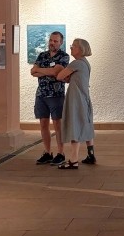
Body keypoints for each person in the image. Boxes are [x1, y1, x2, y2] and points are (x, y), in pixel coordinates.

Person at [55, 38, 96, 169]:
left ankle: (74, 159)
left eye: (74, 46)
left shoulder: (76, 63)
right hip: (83, 97)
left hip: (76, 99)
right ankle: (91, 154)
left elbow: (60, 76)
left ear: (81, 49)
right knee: (86, 124)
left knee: (75, 125)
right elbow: (70, 78)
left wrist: (59, 69)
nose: (71, 47)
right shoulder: (85, 63)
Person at [30, 31, 69, 165]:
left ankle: (60, 153)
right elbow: (32, 72)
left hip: (56, 96)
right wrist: (44, 71)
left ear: (61, 43)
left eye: (55, 41)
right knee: (43, 124)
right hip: (41, 94)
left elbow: (56, 72)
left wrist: (40, 70)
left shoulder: (64, 57)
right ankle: (47, 152)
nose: (52, 43)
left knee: (57, 124)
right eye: (51, 40)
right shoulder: (42, 55)